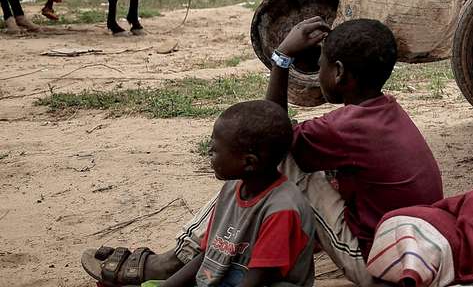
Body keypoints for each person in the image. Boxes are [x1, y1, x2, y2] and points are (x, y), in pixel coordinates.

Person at [81, 17, 444, 287]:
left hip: (376, 266)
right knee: (313, 170)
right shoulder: (382, 112)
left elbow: (270, 137)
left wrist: (282, 58)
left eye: (318, 66)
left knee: (270, 160)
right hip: (413, 251)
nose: (316, 73)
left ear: (338, 73)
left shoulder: (348, 127)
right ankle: (241, 245)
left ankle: (178, 258)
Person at [145, 100, 316, 287]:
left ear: (249, 162)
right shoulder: (230, 191)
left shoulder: (281, 209)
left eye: (216, 149)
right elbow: (207, 256)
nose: (209, 151)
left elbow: (256, 279)